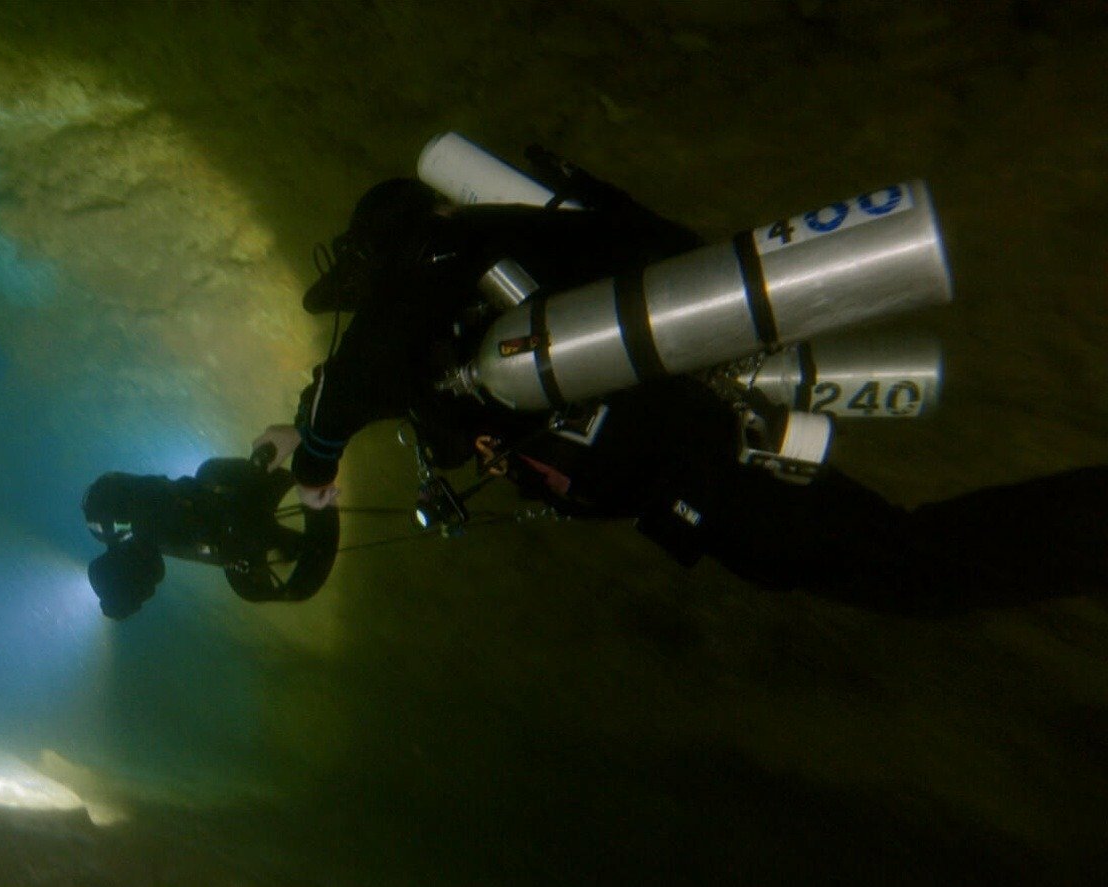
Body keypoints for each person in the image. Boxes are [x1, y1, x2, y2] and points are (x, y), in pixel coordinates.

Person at [253, 156, 1108, 616]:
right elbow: (373, 381)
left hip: (695, 465)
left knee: (908, 568)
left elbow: (362, 371)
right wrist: (306, 434)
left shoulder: (432, 279)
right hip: (698, 435)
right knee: (899, 564)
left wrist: (316, 458)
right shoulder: (497, 265)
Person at [82, 448, 337, 620]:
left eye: (146, 586)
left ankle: (300, 513)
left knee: (235, 552)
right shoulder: (133, 534)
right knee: (239, 566)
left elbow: (199, 519)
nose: (155, 583)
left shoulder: (143, 526)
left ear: (131, 573)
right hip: (217, 500)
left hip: (224, 499)